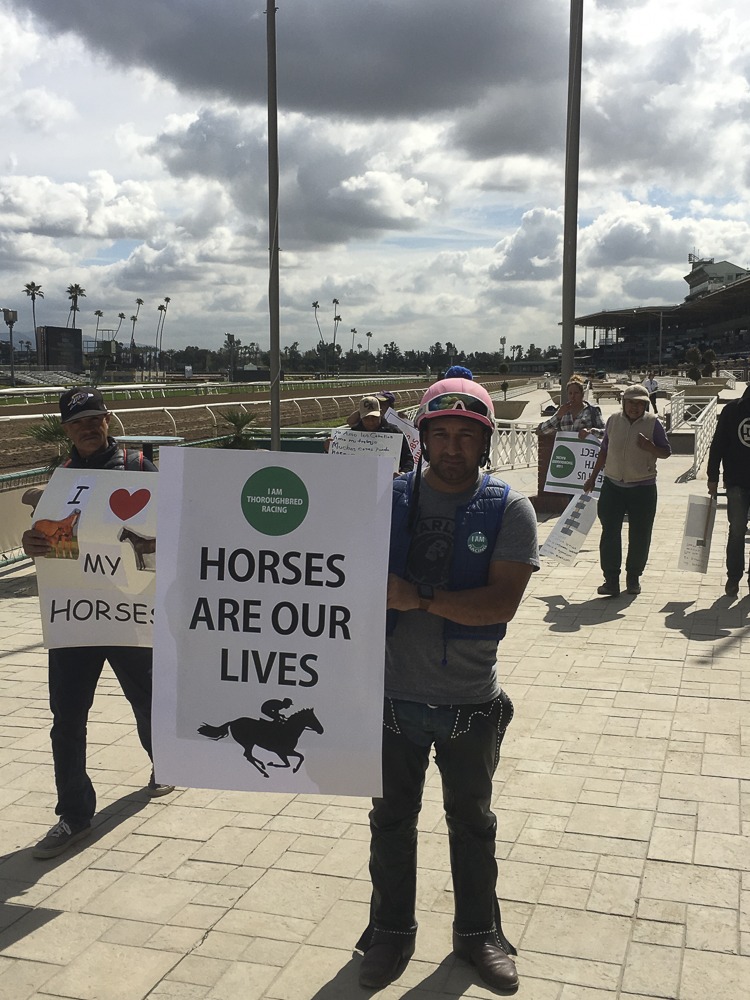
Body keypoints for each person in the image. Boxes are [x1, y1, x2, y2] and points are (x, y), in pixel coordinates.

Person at [356, 377, 539, 992]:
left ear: (484, 443)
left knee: (472, 823)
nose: (453, 447)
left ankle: (478, 934)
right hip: (388, 700)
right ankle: (389, 933)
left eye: (466, 436)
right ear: (424, 438)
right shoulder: (383, 500)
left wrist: (417, 596)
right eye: (442, 434)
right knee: (390, 822)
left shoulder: (509, 510)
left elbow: (501, 603)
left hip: (469, 703)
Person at [21, 387, 174, 860]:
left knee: (147, 699)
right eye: (78, 422)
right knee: (67, 719)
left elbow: (161, 536)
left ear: (108, 420)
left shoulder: (139, 468)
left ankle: (164, 761)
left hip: (130, 615)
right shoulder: (60, 479)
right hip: (76, 617)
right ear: (66, 429)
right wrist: (36, 543)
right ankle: (73, 815)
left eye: (95, 418)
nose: (88, 427)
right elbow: (68, 545)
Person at [583, 384, 671, 597]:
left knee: (640, 534)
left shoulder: (653, 424)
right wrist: (593, 478)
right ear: (623, 403)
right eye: (631, 402)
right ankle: (611, 580)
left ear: (645, 405)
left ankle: (633, 578)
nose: (634, 407)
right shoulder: (613, 420)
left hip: (643, 488)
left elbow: (666, 452)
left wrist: (650, 447)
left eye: (640, 403)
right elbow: (604, 451)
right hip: (613, 486)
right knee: (610, 532)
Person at [706, 383, 750, 597]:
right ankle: (734, 577)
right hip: (737, 482)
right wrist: (712, 476)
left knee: (737, 531)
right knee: (737, 531)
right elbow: (718, 444)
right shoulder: (732, 410)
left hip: (736, 481)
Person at [351, 395, 414, 474]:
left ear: (380, 413)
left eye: (374, 417)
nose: (371, 422)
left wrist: (404, 473)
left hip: (390, 481)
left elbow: (408, 459)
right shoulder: (352, 434)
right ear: (360, 416)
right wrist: (331, 449)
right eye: (366, 418)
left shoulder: (394, 432)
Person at [537, 374, 605, 440]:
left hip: (584, 449)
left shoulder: (592, 410)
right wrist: (558, 416)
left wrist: (591, 432)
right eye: (570, 393)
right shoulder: (563, 410)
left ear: (582, 394)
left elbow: (605, 433)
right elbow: (543, 430)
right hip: (566, 450)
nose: (573, 396)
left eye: (576, 393)